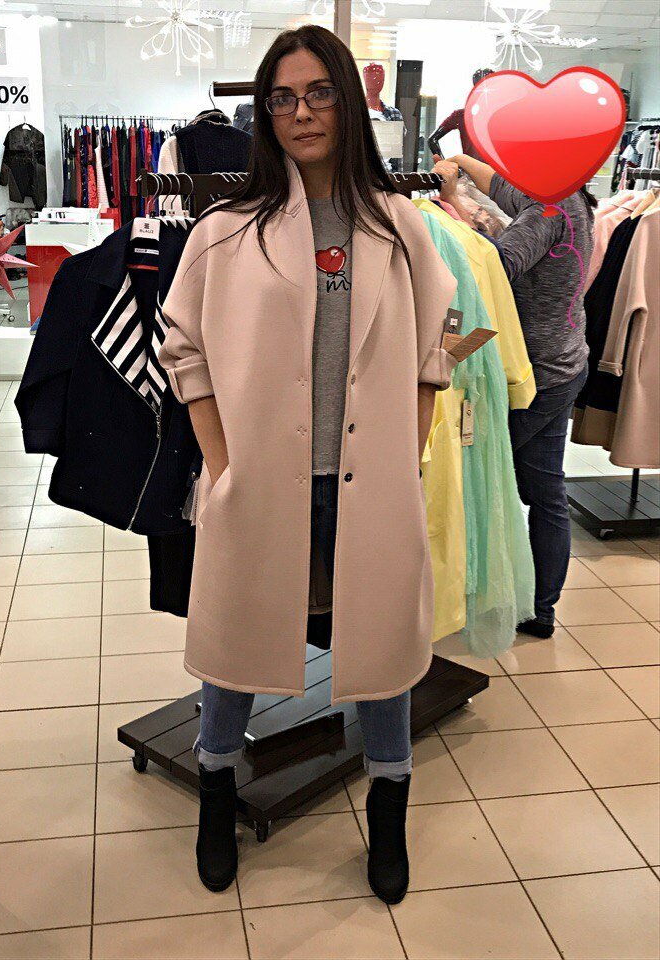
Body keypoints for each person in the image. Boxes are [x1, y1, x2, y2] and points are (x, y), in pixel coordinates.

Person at [160, 25, 458, 904]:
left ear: (349, 104)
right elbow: (184, 350)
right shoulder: (226, 229)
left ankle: (389, 813)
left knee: (382, 651)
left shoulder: (400, 226)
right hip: (260, 480)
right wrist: (223, 466)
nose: (301, 113)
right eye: (282, 98)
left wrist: (407, 457)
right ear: (265, 112)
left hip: (370, 483)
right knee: (235, 645)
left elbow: (432, 353)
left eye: (319, 92)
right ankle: (216, 789)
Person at [432, 152, 596, 639]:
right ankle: (539, 607)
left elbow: (494, 266)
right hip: (561, 362)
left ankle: (485, 593)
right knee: (544, 491)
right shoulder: (562, 196)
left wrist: (450, 212)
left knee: (482, 477)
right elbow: (502, 189)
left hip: (534, 374)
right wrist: (459, 162)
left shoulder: (550, 208)